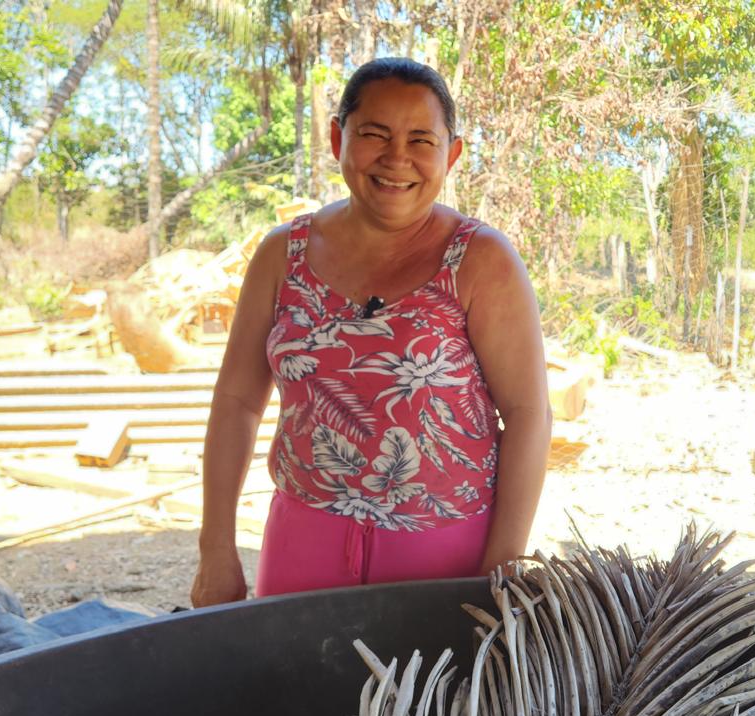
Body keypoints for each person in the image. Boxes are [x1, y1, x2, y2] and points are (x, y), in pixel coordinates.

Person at [191, 58, 552, 606]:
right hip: (301, 544)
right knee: (292, 690)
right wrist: (215, 549)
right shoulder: (280, 255)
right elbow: (239, 400)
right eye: (374, 134)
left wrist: (500, 570)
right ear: (337, 137)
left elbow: (528, 414)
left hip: (445, 554)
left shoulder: (480, 261)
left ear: (451, 155)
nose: (396, 158)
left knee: (431, 694)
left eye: (421, 140)